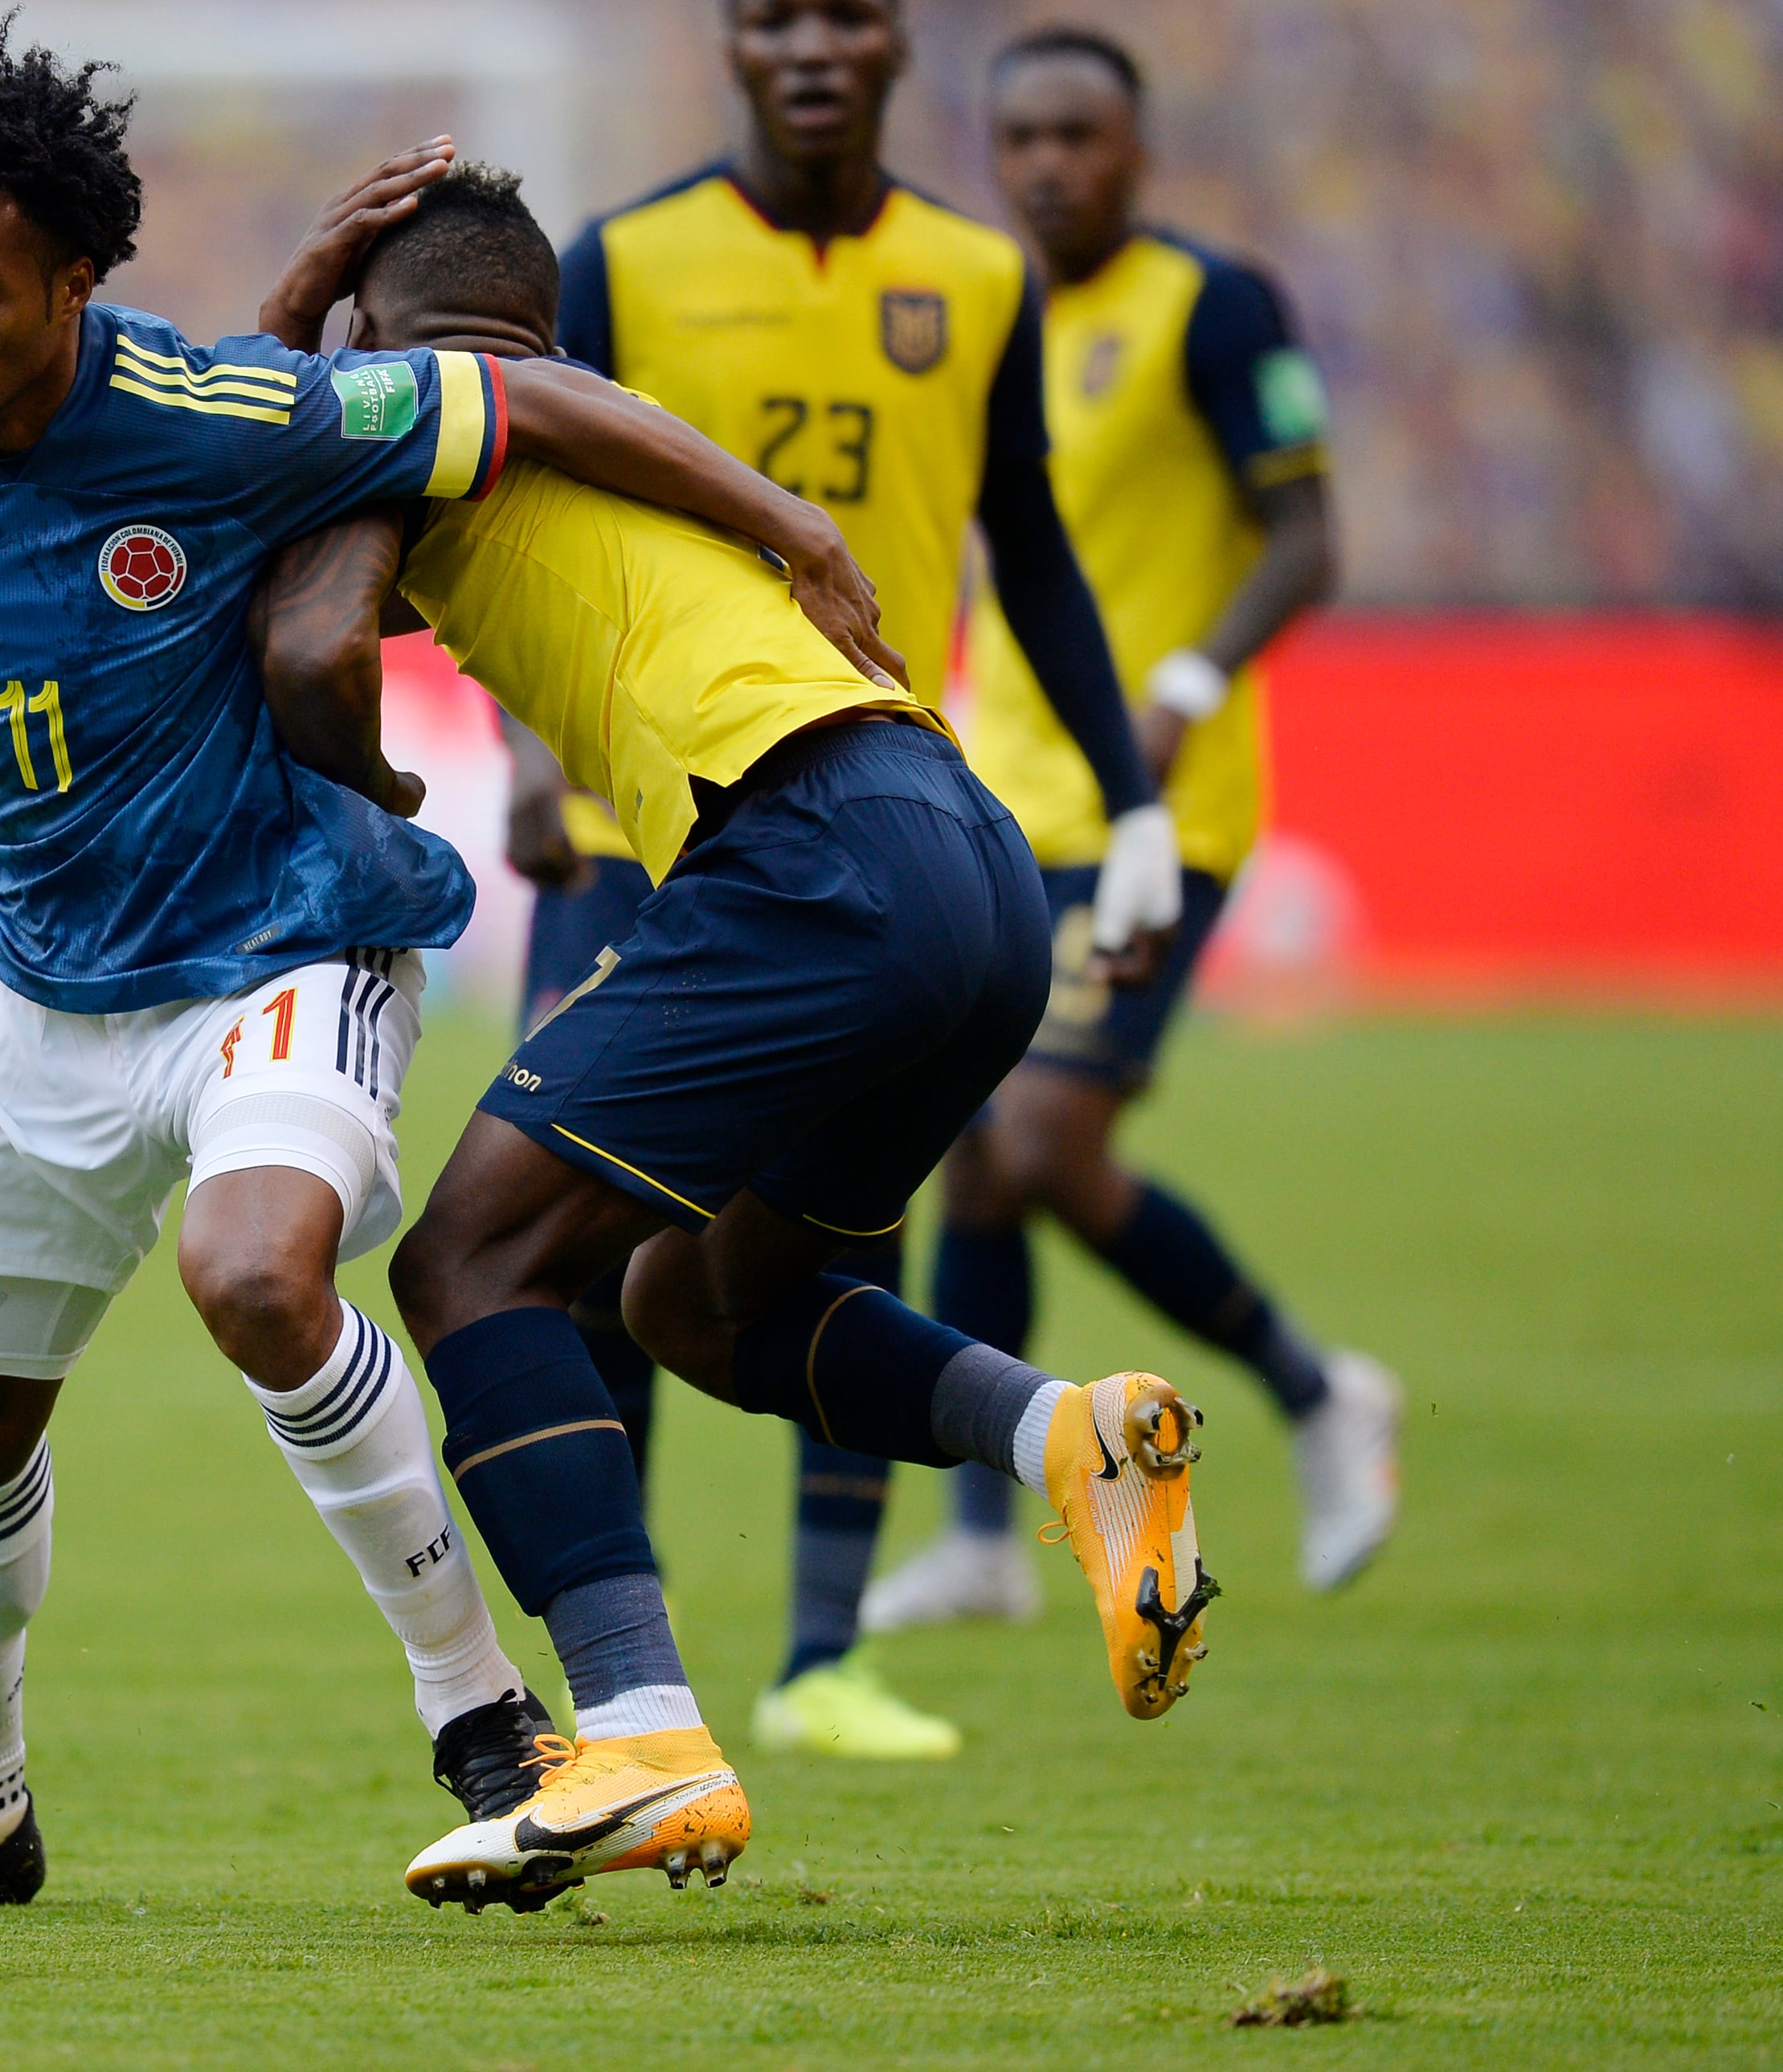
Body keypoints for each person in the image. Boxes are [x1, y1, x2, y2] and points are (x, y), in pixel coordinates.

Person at [0, 27, 903, 1906]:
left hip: (282, 940)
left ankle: (483, 1717)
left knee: (256, 1271)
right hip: (44, 993)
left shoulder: (220, 418)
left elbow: (508, 404)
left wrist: (789, 524)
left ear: (71, 280)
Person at [248, 156, 1221, 1914]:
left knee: (468, 1259)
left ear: (379, 336)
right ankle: (1064, 1434)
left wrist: (378, 794)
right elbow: (303, 542)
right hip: (964, 860)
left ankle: (636, 1735)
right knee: (700, 1297)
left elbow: (308, 632)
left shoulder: (420, 413)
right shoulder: (567, 424)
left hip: (807, 853)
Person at [550, 0, 1188, 1759]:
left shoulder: (977, 277)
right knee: (582, 1233)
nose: (814, 44)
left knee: (838, 1221)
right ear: (731, 47)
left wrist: (1133, 794)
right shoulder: (630, 259)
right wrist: (525, 752)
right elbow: (538, 514)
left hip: (864, 806)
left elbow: (1035, 551)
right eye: (778, 17)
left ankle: (825, 1655)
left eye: (848, 13)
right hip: (629, 806)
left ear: (902, 45)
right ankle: (629, 1663)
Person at [859, 29, 1398, 1635]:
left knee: (1045, 1140)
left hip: (1160, 804)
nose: (1046, 164)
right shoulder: (983, 316)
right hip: (996, 790)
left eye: (1079, 134)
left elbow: (1309, 534)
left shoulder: (1212, 304)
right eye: (1019, 134)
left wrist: (1178, 683)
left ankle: (1315, 1386)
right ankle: (974, 1537)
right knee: (968, 1152)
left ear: (1136, 148)